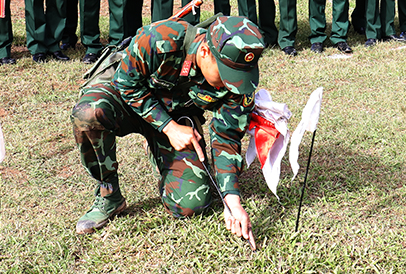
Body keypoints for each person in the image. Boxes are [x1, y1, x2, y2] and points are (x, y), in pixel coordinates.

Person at [71, 14, 263, 249]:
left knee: (191, 205)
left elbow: (227, 137)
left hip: (177, 116)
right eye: (225, 75)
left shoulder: (240, 84)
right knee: (88, 113)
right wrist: (169, 128)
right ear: (205, 52)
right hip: (127, 101)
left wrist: (232, 201)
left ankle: (159, 152)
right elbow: (126, 84)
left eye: (238, 77)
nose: (231, 84)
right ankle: (109, 194)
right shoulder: (160, 38)